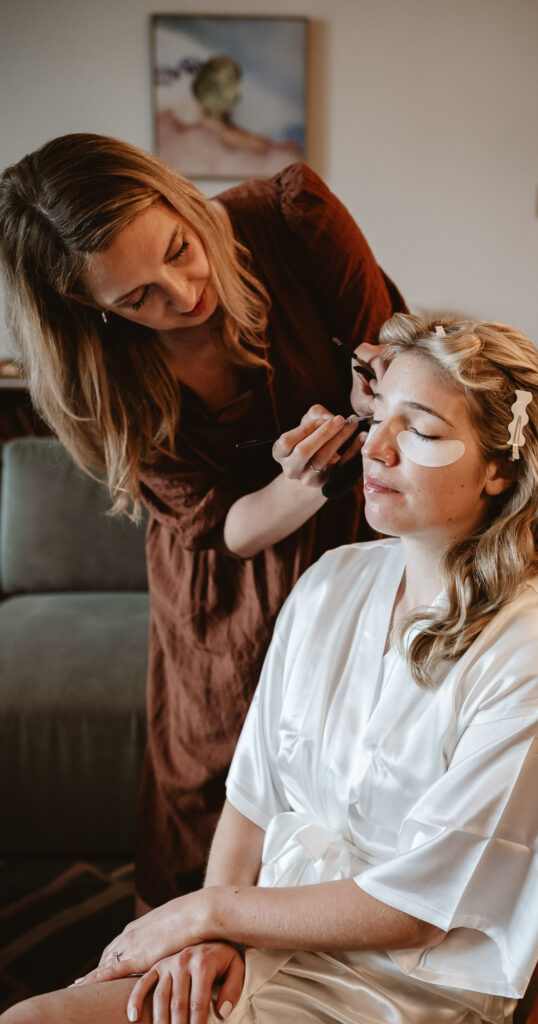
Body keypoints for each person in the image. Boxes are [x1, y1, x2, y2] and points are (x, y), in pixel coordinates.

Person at [1, 315, 538, 1024]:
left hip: (400, 986)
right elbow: (253, 795)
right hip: (267, 931)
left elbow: (416, 909)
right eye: (378, 416)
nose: (374, 448)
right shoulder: (331, 582)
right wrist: (220, 933)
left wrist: (209, 912)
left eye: (421, 431)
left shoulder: (531, 666)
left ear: (500, 470)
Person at [0, 134, 405, 908]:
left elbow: (392, 366)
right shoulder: (100, 375)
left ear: (175, 196)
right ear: (88, 308)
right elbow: (227, 530)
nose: (181, 293)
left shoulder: (292, 220)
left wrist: (372, 398)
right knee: (212, 780)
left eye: (178, 250)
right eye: (135, 298)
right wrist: (304, 482)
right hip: (224, 584)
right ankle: (192, 944)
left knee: (355, 770)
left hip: (356, 550)